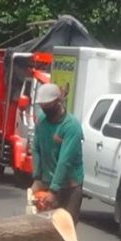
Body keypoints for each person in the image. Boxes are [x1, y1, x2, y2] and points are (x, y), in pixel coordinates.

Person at [30, 83, 85, 225]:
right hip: (48, 179)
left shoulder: (71, 126)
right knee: (43, 225)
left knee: (66, 225)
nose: (44, 109)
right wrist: (37, 177)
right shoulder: (41, 120)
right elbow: (36, 147)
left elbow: (64, 160)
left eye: (48, 105)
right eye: (42, 105)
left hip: (69, 185)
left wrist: (54, 191)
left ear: (58, 102)